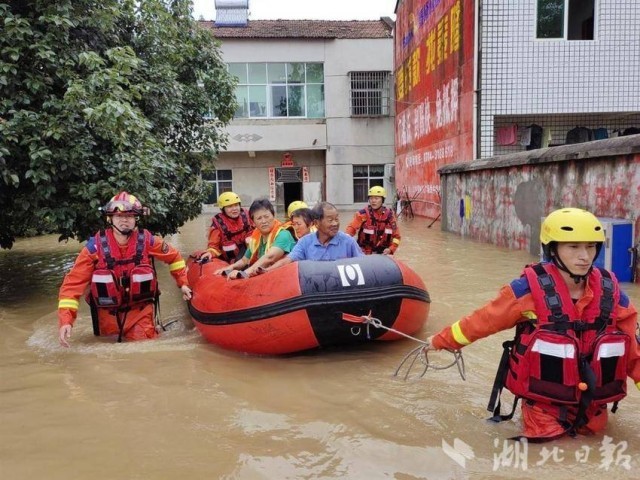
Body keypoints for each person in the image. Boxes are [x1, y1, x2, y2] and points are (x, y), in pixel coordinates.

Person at [425, 207, 639, 441]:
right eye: (574, 246)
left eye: (590, 246)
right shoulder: (526, 292)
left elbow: (634, 356)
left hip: (594, 411)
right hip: (544, 412)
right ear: (553, 249)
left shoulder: (613, 295)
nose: (585, 256)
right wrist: (440, 341)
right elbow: (481, 322)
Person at [57, 192, 192, 347]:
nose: (124, 220)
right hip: (107, 316)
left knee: (145, 350)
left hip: (140, 313)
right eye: (119, 216)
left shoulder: (148, 241)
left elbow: (175, 258)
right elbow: (71, 286)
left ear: (136, 219)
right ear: (110, 218)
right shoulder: (94, 248)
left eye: (129, 216)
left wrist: (183, 284)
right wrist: (66, 321)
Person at [214, 199, 295, 278]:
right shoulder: (256, 237)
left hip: (282, 277)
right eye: (259, 218)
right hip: (264, 275)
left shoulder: (283, 234)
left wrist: (245, 273)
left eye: (266, 216)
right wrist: (231, 267)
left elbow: (270, 257)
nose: (264, 221)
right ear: (253, 222)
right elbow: (244, 260)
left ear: (273, 216)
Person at [268, 202, 363, 270]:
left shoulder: (348, 241)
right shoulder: (305, 242)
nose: (335, 224)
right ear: (316, 223)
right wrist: (268, 270)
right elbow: (289, 260)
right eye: (330, 220)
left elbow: (363, 264)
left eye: (336, 219)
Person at [200, 191, 254, 264]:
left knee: (249, 239)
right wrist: (210, 252)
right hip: (232, 261)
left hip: (250, 254)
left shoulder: (247, 216)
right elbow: (213, 246)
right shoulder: (218, 225)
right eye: (230, 206)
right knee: (229, 246)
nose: (234, 209)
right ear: (223, 209)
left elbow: (259, 231)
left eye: (236, 205)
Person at [345, 186, 401, 255]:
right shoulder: (362, 214)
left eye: (376, 198)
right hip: (364, 252)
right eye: (371, 198)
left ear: (382, 200)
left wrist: (391, 249)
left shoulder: (390, 216)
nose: (373, 201)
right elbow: (351, 228)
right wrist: (346, 239)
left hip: (383, 253)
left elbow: (397, 237)